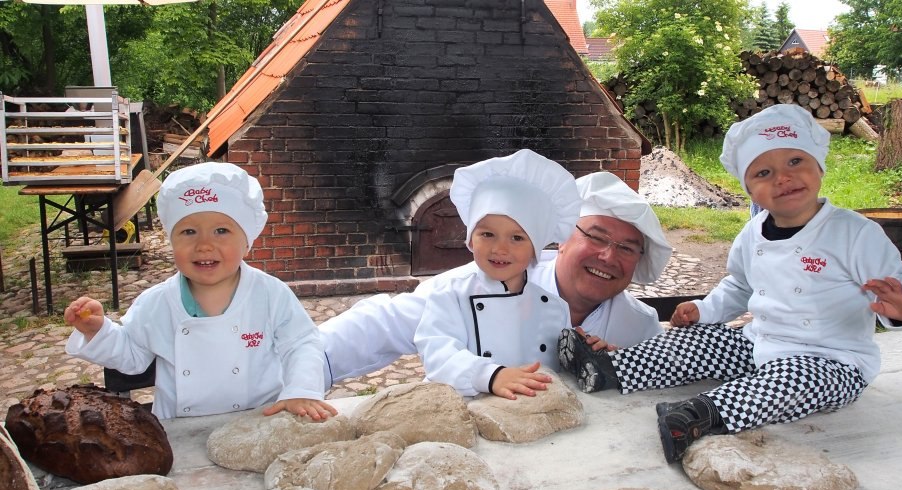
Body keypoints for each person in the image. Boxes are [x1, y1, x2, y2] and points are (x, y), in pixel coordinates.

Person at [558, 103, 902, 463]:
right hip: (758, 344)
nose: (782, 177)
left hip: (832, 362)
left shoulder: (854, 233)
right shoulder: (754, 232)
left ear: (819, 166)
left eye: (795, 161)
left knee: (790, 381)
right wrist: (703, 310)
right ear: (749, 190)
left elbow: (901, 285)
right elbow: (739, 285)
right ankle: (608, 369)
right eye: (762, 173)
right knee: (691, 343)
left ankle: (701, 416)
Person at [319, 169, 674, 388]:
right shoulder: (479, 283)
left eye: (627, 248)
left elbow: (662, 385)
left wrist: (621, 369)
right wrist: (302, 363)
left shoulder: (639, 327)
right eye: (595, 237)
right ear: (563, 238)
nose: (608, 257)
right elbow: (383, 324)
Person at [65, 162, 336, 421]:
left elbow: (301, 344)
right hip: (180, 433)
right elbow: (132, 355)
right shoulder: (157, 303)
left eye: (221, 230)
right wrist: (97, 331)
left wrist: (301, 391)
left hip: (260, 422)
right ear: (171, 241)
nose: (204, 245)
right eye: (189, 231)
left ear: (248, 243)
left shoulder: (270, 294)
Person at [413, 149, 580, 398]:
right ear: (470, 240)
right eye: (487, 234)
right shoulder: (449, 294)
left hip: (532, 416)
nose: (500, 249)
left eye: (517, 238)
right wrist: (490, 376)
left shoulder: (555, 307)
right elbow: (438, 355)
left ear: (536, 248)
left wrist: (583, 351)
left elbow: (560, 371)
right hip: (461, 412)